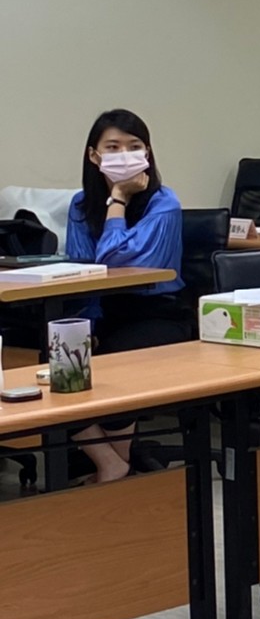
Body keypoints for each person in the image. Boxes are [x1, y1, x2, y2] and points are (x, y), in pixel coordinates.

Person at [65, 109, 185, 483]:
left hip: (157, 313)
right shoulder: (81, 205)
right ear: (94, 155)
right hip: (102, 309)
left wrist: (117, 198)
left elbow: (115, 260)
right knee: (60, 364)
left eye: (134, 147)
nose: (125, 155)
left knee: (111, 370)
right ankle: (114, 465)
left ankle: (113, 472)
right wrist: (87, 326)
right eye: (113, 147)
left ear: (147, 153)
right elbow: (82, 270)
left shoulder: (164, 203)